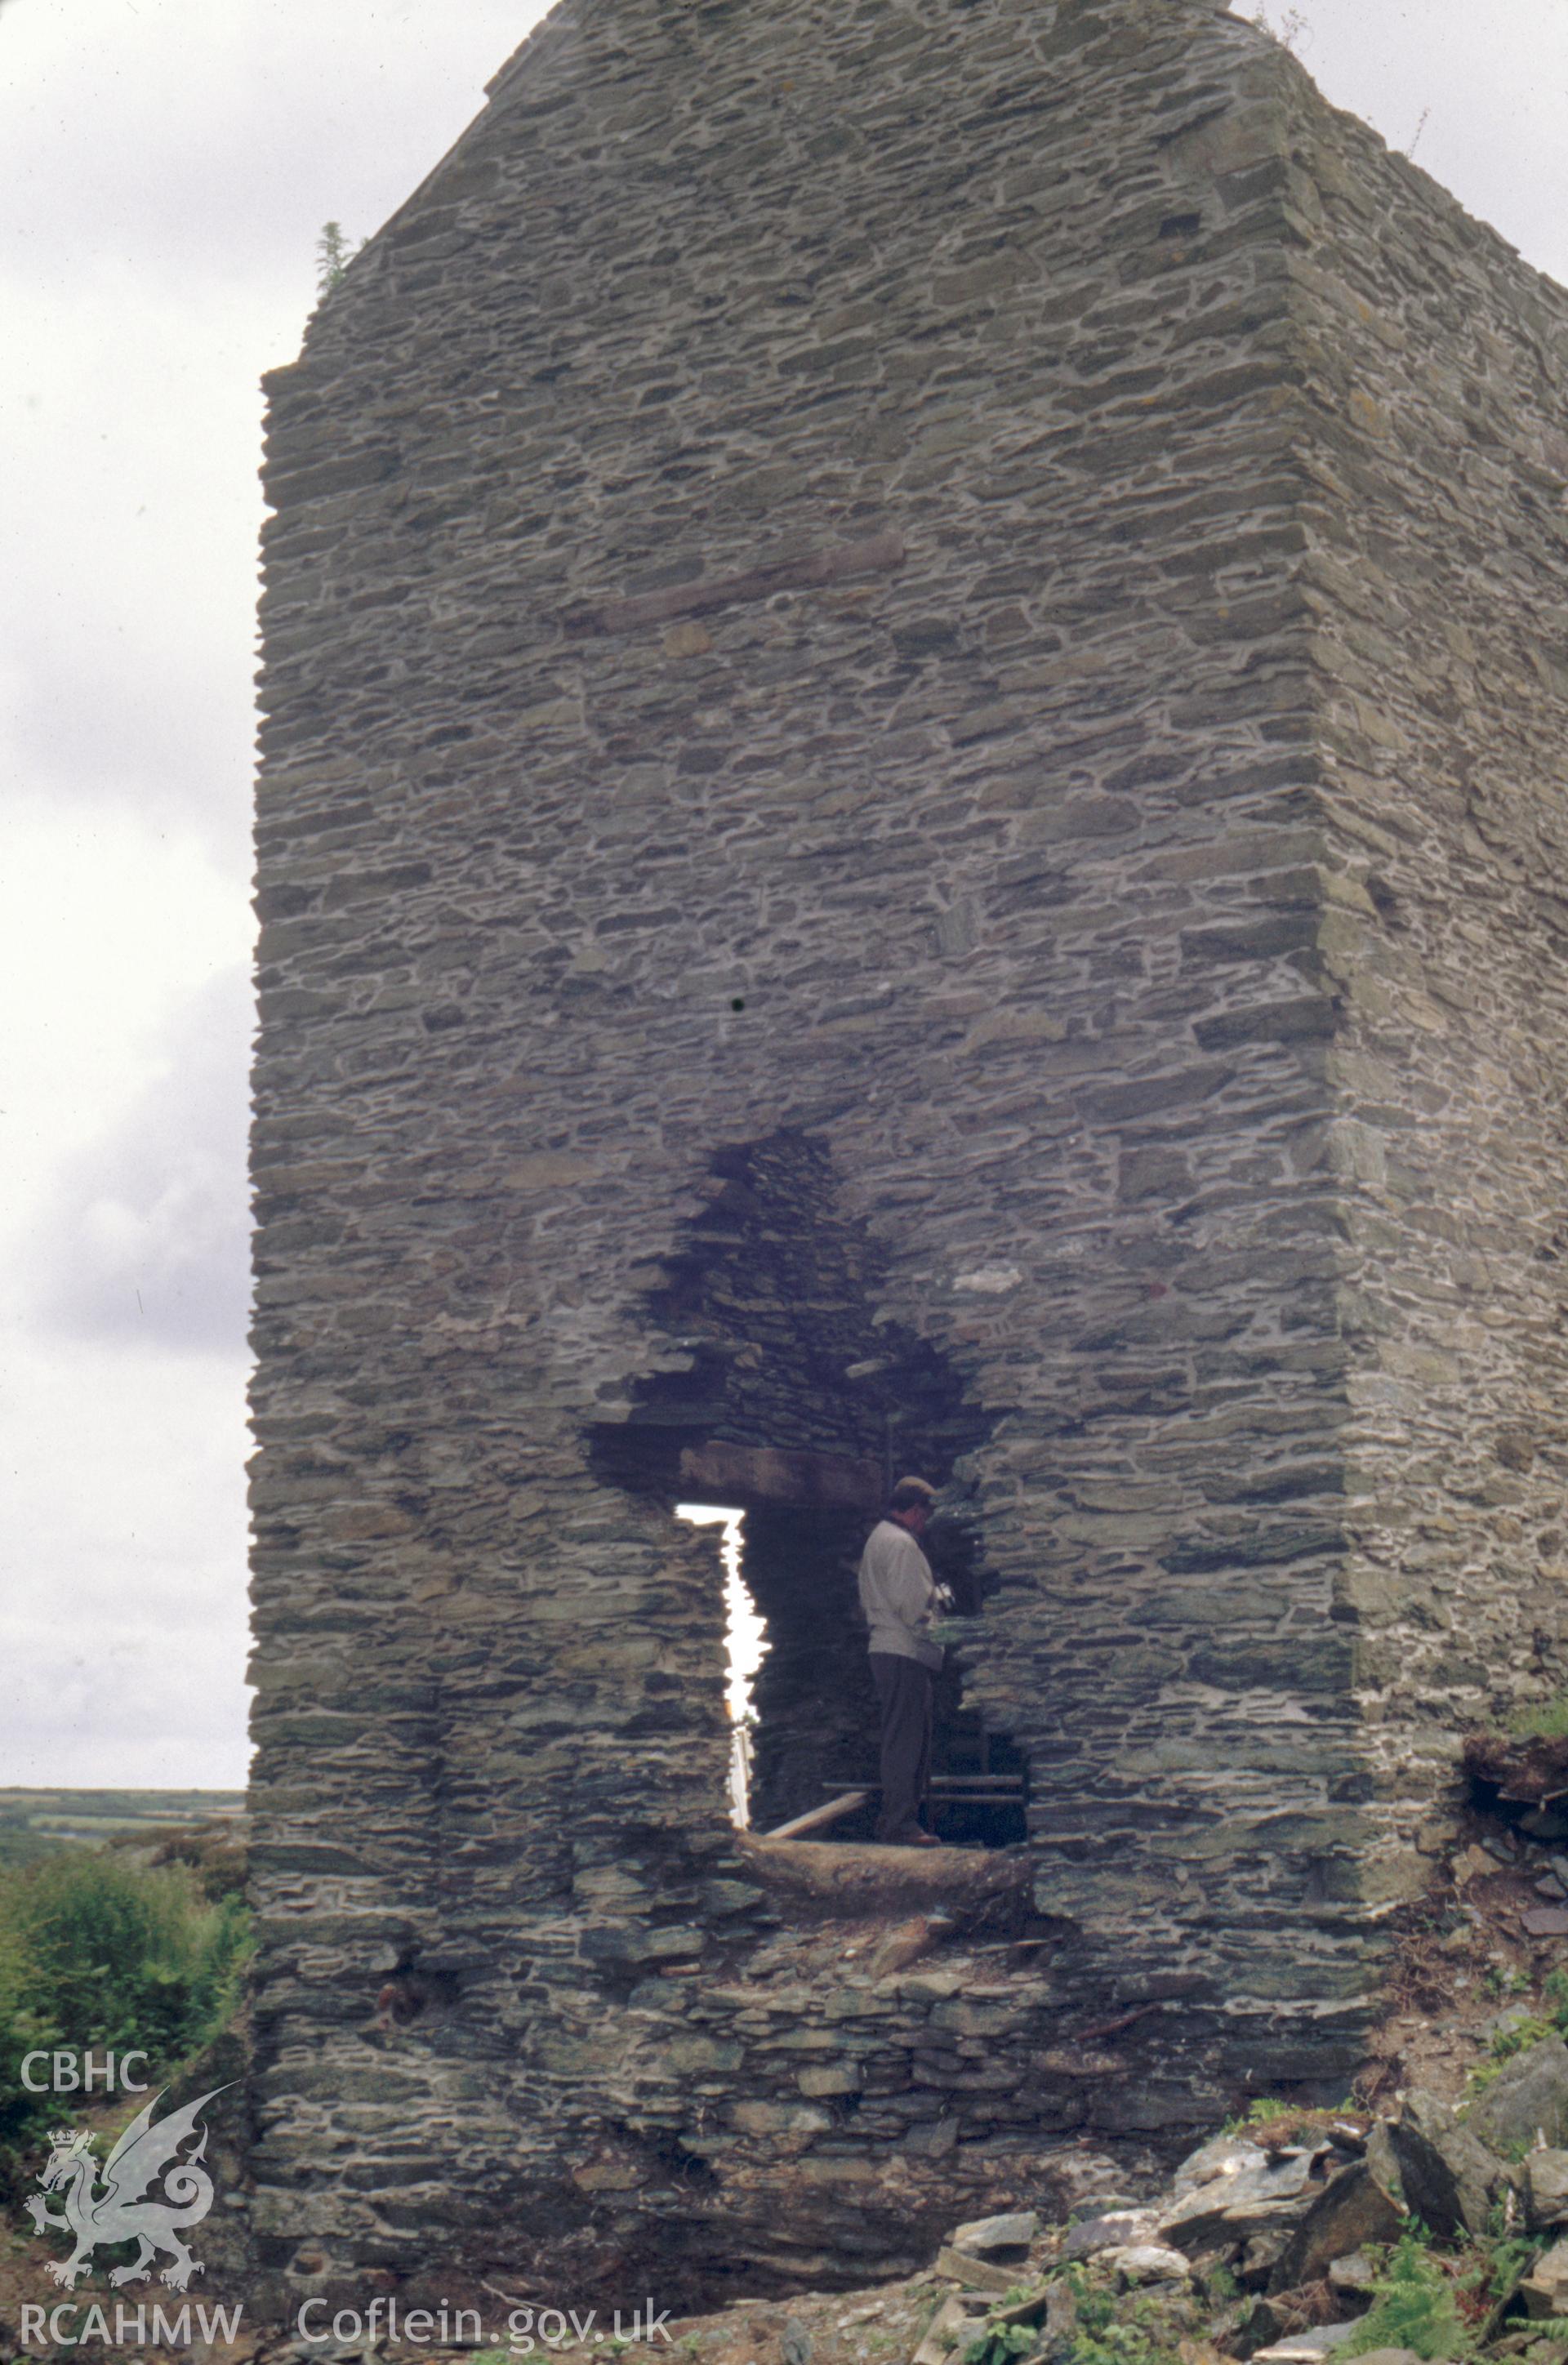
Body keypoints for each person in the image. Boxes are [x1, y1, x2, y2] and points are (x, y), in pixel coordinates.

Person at [858, 1476, 950, 1847]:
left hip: (886, 1647)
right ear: (914, 1511)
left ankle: (896, 1820)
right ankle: (901, 1824)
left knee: (900, 1736)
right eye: (924, 1516)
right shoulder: (902, 1545)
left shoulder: (878, 1539)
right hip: (903, 1650)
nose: (925, 1524)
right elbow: (913, 1608)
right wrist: (941, 1613)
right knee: (907, 1739)